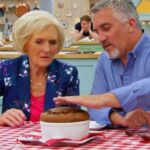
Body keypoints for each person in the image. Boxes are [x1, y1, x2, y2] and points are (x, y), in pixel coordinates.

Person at [54, 0, 150, 129]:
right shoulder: (104, 60)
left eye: (106, 28)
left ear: (131, 24)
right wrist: (118, 118)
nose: (100, 38)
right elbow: (94, 109)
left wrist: (108, 99)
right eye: (97, 31)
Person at [0, 10, 79, 127]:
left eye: (52, 42)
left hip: (54, 142)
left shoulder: (68, 73)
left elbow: (74, 118)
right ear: (25, 43)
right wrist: (1, 118)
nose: (47, 49)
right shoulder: (6, 69)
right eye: (39, 41)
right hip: (12, 143)